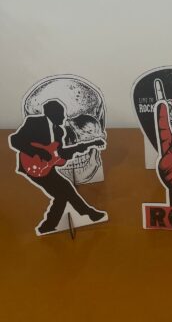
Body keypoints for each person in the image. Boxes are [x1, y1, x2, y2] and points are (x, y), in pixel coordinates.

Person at [9, 99, 107, 234]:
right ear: (51, 113)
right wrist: (38, 152)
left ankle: (50, 226)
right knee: (63, 193)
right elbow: (15, 140)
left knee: (65, 191)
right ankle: (87, 214)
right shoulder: (34, 122)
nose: (64, 117)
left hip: (47, 168)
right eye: (61, 113)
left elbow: (60, 153)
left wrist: (90, 144)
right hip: (32, 167)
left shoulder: (59, 131)